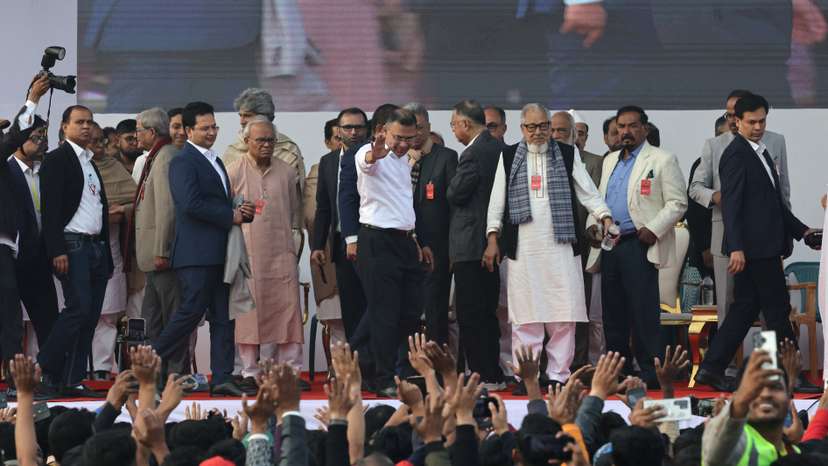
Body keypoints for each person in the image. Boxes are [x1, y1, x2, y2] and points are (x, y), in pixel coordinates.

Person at [694, 93, 820, 391]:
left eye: (762, 120)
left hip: (763, 246)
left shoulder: (761, 151)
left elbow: (774, 205)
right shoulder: (736, 153)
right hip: (754, 249)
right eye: (751, 122)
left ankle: (711, 368)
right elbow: (733, 205)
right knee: (777, 310)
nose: (758, 126)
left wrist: (802, 231)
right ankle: (792, 374)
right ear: (736, 122)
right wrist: (736, 246)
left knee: (745, 308)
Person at [486, 104, 611, 392]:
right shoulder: (508, 156)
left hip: (561, 247)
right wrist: (493, 237)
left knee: (562, 315)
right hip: (524, 249)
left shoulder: (567, 155)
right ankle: (524, 375)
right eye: (532, 127)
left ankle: (558, 375)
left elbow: (587, 189)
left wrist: (603, 214)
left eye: (544, 126)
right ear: (522, 129)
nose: (539, 132)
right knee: (525, 317)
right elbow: (497, 201)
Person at [152, 101, 255, 397]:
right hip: (196, 254)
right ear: (187, 130)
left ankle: (222, 377)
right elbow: (190, 203)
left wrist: (238, 209)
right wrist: (229, 215)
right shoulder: (183, 161)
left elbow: (214, 201)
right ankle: (150, 363)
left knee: (224, 316)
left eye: (214, 127)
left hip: (220, 253)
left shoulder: (215, 160)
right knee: (190, 312)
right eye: (204, 128)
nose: (211, 133)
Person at [585, 105, 687, 387]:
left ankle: (650, 372)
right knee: (612, 312)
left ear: (644, 128)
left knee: (642, 311)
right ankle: (618, 370)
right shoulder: (610, 160)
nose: (625, 132)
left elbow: (678, 202)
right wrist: (594, 228)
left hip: (639, 244)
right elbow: (599, 200)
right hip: (610, 243)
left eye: (632, 126)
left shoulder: (662, 159)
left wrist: (654, 229)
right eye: (621, 127)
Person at [39, 105, 114, 398]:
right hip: (72, 245)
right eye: (79, 122)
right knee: (77, 309)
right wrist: (56, 249)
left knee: (90, 316)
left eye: (89, 122)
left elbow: (99, 210)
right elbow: (51, 210)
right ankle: (43, 367)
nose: (86, 127)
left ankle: (72, 379)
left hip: (95, 247)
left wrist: (106, 254)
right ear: (64, 126)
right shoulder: (57, 159)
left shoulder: (91, 162)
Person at [226, 116, 306, 390]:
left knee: (288, 312)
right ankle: (250, 372)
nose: (266, 145)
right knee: (249, 316)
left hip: (281, 253)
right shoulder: (233, 171)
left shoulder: (287, 171)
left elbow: (294, 213)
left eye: (271, 140)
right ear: (246, 141)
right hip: (248, 256)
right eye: (260, 140)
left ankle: (290, 371)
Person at [354, 108, 425, 398]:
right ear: (383, 131)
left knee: (409, 312)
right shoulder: (368, 153)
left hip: (405, 241)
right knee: (384, 313)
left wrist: (416, 240)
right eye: (398, 137)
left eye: (409, 138)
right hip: (377, 240)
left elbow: (403, 207)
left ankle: (375, 364)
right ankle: (383, 377)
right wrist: (376, 152)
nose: (403, 144)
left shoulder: (403, 160)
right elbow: (369, 162)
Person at [448, 100, 506, 391]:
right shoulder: (497, 148)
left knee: (471, 313)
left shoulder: (473, 153)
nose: (453, 131)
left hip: (471, 243)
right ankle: (491, 371)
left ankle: (482, 375)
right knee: (486, 311)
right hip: (489, 241)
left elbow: (456, 193)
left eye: (453, 125)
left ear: (466, 124)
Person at [131, 107, 190, 377]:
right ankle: (155, 375)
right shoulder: (155, 156)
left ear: (152, 132)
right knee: (152, 320)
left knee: (171, 318)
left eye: (139, 130)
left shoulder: (165, 157)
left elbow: (167, 208)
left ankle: (175, 375)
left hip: (162, 256)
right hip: (153, 259)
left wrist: (163, 249)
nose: (136, 135)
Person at [549, 111, 606, 369]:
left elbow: (595, 199)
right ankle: (547, 365)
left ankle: (579, 364)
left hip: (581, 244)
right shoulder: (539, 160)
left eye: (562, 131)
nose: (556, 135)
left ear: (575, 135)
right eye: (553, 130)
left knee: (578, 309)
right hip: (546, 246)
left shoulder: (593, 162)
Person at [5, 113, 58, 375]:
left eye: (44, 136)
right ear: (19, 139)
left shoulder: (47, 170)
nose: (41, 142)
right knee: (12, 324)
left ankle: (49, 375)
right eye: (36, 136)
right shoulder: (6, 168)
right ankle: (14, 379)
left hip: (41, 257)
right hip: (12, 259)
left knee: (49, 319)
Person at [312, 108, 370, 342]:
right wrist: (317, 245)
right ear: (338, 130)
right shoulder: (328, 162)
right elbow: (323, 207)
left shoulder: (377, 157)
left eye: (359, 127)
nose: (354, 132)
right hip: (341, 246)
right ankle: (359, 368)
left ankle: (378, 368)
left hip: (372, 243)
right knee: (351, 308)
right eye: (348, 127)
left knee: (374, 306)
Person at [403, 102, 458, 346]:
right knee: (406, 309)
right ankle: (409, 364)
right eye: (409, 129)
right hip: (402, 244)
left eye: (420, 128)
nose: (414, 134)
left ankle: (438, 368)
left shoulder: (446, 157)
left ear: (428, 127)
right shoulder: (396, 159)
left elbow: (454, 205)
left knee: (435, 310)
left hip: (436, 247)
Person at [87, 122, 137, 380]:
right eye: (93, 141)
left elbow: (134, 199)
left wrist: (122, 211)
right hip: (78, 246)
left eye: (101, 142)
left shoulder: (114, 166)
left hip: (111, 244)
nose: (98, 146)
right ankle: (75, 370)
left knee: (108, 313)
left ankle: (102, 368)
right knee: (80, 311)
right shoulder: (71, 166)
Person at [702, 350, 797, 465]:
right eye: (756, 388)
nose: (765, 394)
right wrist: (738, 406)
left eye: (775, 387)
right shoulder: (734, 445)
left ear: (788, 396)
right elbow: (713, 458)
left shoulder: (796, 453)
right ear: (738, 396)